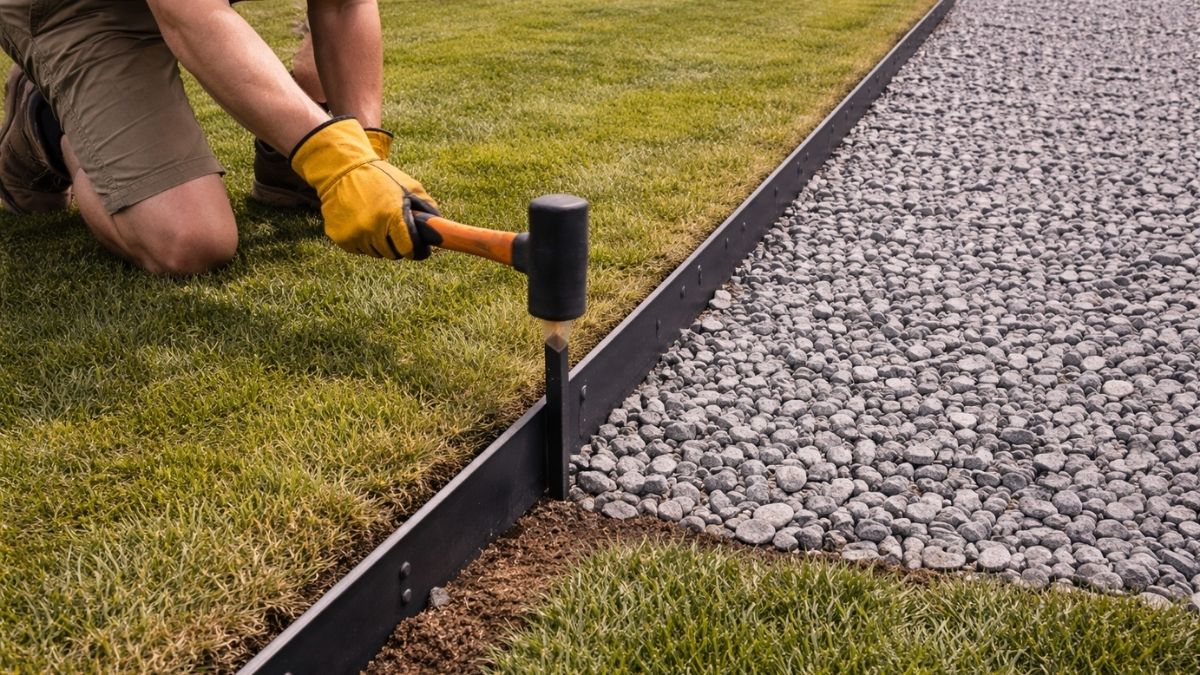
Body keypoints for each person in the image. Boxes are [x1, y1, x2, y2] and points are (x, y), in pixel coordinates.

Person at [0, 0, 438, 275]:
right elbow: (188, 13)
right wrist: (335, 162)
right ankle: (44, 119)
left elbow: (344, 5)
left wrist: (365, 155)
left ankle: (284, 166)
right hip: (74, 8)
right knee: (190, 241)